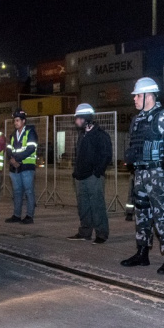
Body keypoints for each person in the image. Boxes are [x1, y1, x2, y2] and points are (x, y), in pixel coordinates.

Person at [120, 77, 164, 274]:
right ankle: (142, 253)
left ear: (149, 96)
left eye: (138, 95)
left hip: (157, 174)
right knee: (141, 214)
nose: (134, 99)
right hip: (139, 173)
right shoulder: (138, 120)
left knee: (162, 215)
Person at [67, 103, 113, 243]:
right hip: (80, 177)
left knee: (97, 205)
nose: (76, 121)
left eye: (78, 118)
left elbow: (107, 155)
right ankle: (85, 232)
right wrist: (76, 172)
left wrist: (97, 172)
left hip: (93, 177)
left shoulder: (100, 135)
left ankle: (101, 234)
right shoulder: (82, 135)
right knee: (83, 206)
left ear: (86, 118)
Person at [5, 109, 38, 224]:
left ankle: (29, 216)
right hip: (15, 168)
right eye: (14, 120)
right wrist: (12, 160)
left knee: (29, 191)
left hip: (27, 167)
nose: (15, 122)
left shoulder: (30, 132)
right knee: (17, 192)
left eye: (18, 120)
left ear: (23, 121)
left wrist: (17, 159)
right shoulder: (13, 135)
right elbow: (8, 149)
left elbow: (31, 148)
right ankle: (17, 215)